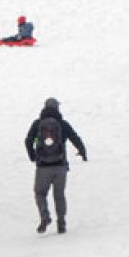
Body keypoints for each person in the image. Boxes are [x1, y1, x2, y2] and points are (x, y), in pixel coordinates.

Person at [24, 97, 88, 235]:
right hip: (60, 167)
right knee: (59, 196)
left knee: (40, 193)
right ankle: (61, 223)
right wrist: (83, 152)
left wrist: (33, 156)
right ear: (57, 108)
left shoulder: (37, 124)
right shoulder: (62, 124)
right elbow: (75, 138)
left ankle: (45, 216)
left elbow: (28, 140)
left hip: (43, 167)